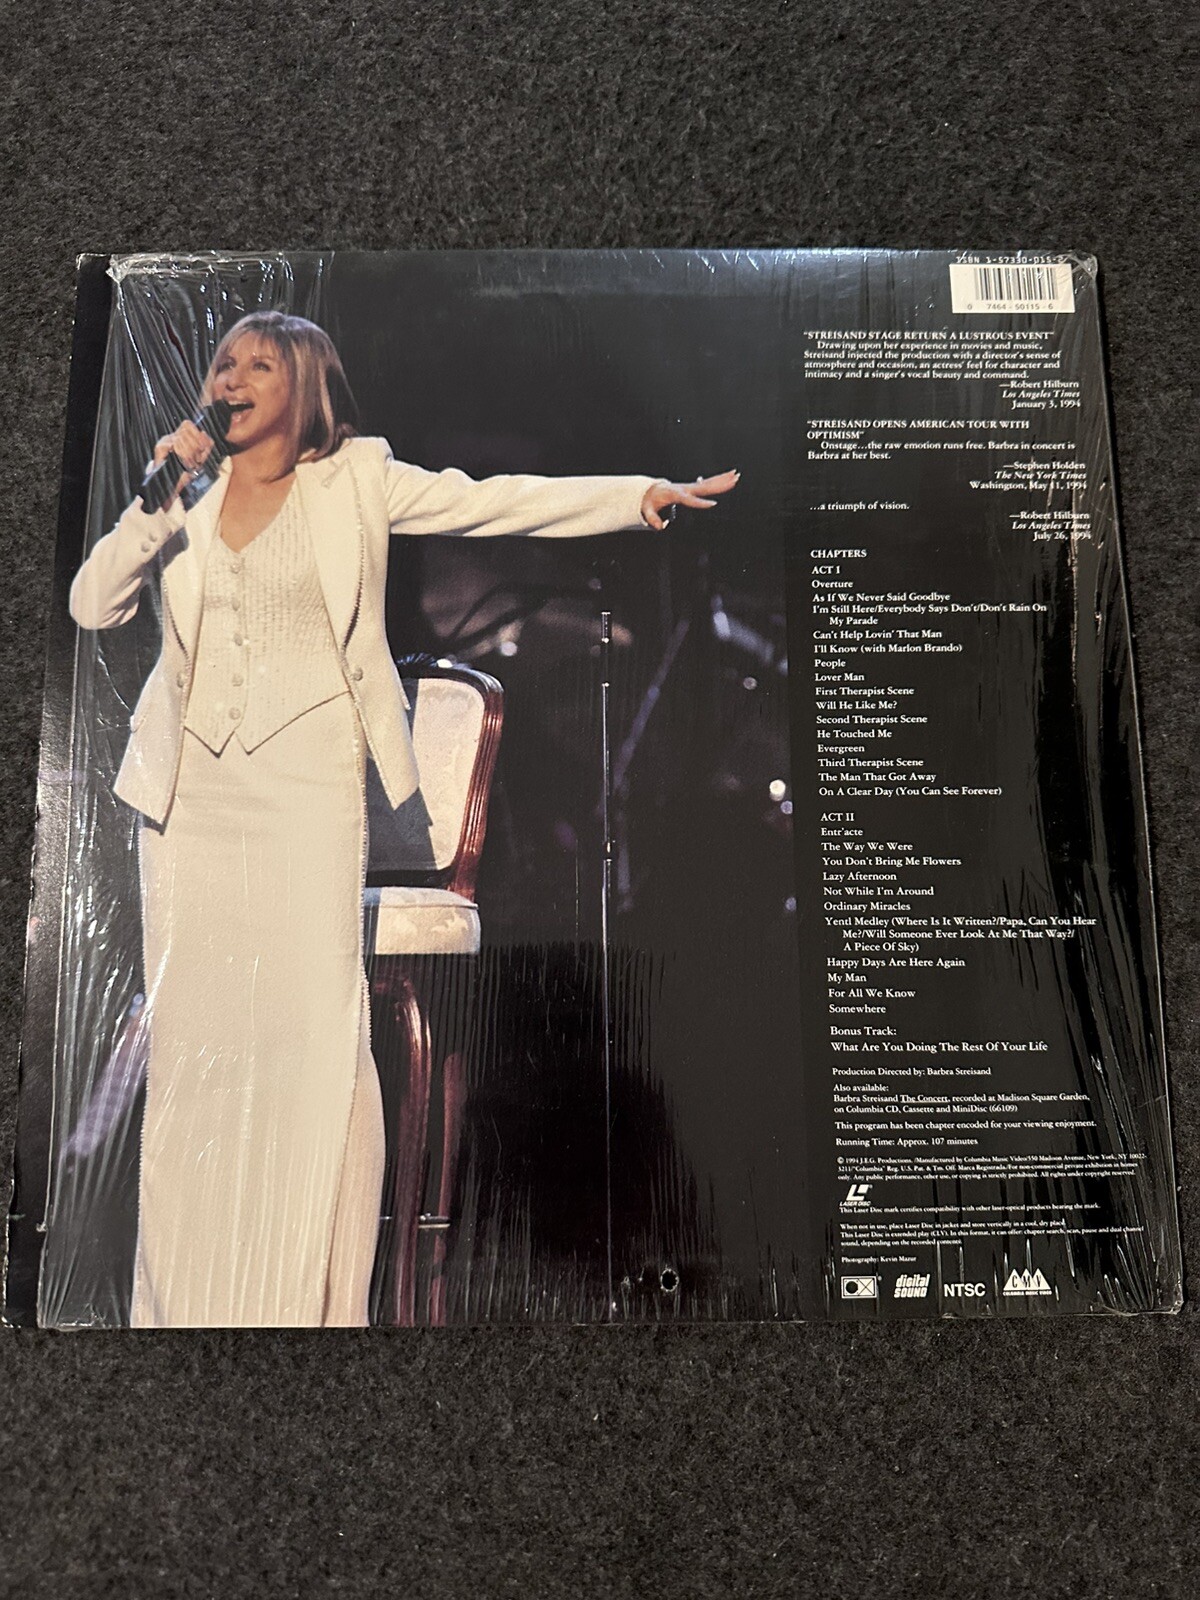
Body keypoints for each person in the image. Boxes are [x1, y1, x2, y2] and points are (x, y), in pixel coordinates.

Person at [68, 309, 739, 1329]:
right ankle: (184, 1302)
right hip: (188, 807)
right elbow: (92, 604)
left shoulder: (359, 479)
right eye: (224, 362)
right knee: (195, 1058)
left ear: (305, 387)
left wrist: (633, 496)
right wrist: (157, 494)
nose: (233, 376)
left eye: (260, 363)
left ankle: (293, 1301)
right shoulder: (184, 497)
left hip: (306, 797)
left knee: (305, 1053)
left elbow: (494, 502)